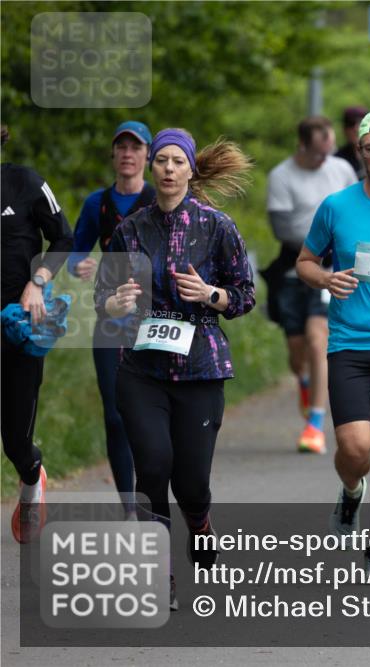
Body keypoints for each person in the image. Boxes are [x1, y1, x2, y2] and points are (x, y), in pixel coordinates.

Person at [95, 128, 255, 609]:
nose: (167, 168)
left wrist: (211, 295)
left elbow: (244, 294)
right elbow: (103, 297)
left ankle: (200, 521)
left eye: (175, 161)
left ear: (189, 169)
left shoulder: (217, 226)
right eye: (160, 160)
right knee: (153, 465)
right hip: (141, 370)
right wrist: (116, 303)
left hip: (201, 368)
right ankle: (159, 574)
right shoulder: (130, 230)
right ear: (151, 168)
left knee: (191, 482)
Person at [296, 110, 370, 581]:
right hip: (348, 343)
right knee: (355, 449)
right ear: (359, 153)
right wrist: (325, 277)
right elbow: (306, 261)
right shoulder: (336, 207)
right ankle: (351, 492)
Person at [67, 121, 157, 513]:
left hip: (153, 321)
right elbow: (72, 251)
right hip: (109, 319)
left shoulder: (158, 198)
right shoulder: (96, 204)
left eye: (135, 147)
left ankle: (154, 488)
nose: (127, 153)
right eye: (120, 146)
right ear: (113, 155)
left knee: (151, 412)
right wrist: (79, 265)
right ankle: (129, 505)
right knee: (116, 414)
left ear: (147, 156)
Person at [265, 116, 357, 454]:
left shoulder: (341, 171)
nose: (325, 159)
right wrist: (316, 244)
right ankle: (304, 381)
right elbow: (281, 230)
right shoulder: (281, 176)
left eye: (329, 150)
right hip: (294, 266)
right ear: (303, 146)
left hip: (332, 269)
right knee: (297, 348)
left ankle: (315, 424)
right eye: (319, 153)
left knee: (320, 340)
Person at [1, 125, 73, 543]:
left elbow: (63, 236)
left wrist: (39, 280)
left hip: (19, 324)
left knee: (15, 440)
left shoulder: (25, 182)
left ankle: (31, 476)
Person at [335, 106, 368, 180]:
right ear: (344, 129)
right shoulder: (336, 159)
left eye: (361, 124)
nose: (356, 128)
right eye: (351, 124)